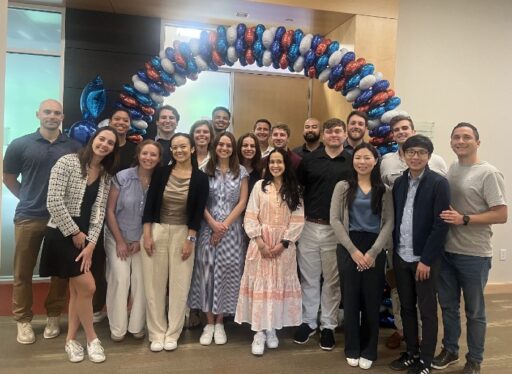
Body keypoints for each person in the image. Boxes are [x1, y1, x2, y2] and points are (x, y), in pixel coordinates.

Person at [3, 99, 81, 344]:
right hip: (29, 216)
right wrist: (28, 197)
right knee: (23, 272)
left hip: (61, 220)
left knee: (60, 272)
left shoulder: (74, 147)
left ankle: (54, 315)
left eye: (57, 113)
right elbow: (8, 178)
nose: (52, 116)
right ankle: (23, 320)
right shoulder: (20, 144)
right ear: (38, 114)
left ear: (62, 117)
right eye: (47, 112)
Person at [39, 127, 120, 363]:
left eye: (110, 143)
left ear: (113, 149)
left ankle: (71, 341)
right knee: (88, 288)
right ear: (93, 139)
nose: (104, 144)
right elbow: (53, 201)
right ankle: (92, 338)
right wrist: (75, 232)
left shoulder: (105, 175)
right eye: (101, 139)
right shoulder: (67, 162)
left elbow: (98, 213)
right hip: (62, 233)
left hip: (85, 239)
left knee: (78, 291)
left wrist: (92, 243)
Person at [434, 123, 507, 374]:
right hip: (446, 252)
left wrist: (464, 219)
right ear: (451, 141)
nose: (461, 141)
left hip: (474, 254)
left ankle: (475, 359)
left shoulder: (488, 173)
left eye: (467, 137)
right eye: (456, 137)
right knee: (448, 307)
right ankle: (450, 350)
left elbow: (501, 214)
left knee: (474, 311)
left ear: (478, 142)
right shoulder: (452, 169)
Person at [380, 115, 448, 350]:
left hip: (424, 253)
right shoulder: (393, 172)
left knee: (427, 305)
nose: (415, 157)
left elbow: (441, 217)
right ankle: (407, 341)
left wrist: (427, 257)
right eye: (411, 153)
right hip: (399, 249)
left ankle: (424, 349)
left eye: (420, 153)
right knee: (403, 299)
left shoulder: (438, 173)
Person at [141, 133, 209, 352]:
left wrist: (191, 240)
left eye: (183, 147)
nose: (179, 150)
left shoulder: (200, 178)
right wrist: (148, 234)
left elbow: (197, 213)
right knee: (154, 285)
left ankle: (173, 333)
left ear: (191, 149)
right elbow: (150, 204)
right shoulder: (161, 173)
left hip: (184, 233)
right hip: (157, 230)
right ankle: (156, 333)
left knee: (180, 285)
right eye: (174, 147)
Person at [235, 148, 305, 356]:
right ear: (267, 165)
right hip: (260, 245)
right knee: (261, 287)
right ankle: (258, 331)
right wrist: (260, 242)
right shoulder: (259, 186)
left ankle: (272, 328)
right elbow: (250, 215)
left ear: (286, 165)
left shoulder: (295, 189)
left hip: (284, 247)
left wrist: (283, 243)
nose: (275, 165)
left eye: (279, 162)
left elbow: (298, 219)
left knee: (277, 287)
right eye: (272, 162)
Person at [330, 143, 393, 369]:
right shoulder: (343, 187)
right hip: (349, 246)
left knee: (371, 300)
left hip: (374, 247)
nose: (362, 162)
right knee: (351, 299)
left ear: (375, 161)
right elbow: (335, 220)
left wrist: (373, 252)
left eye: (367, 158)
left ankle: (369, 349)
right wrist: (354, 251)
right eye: (358, 157)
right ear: (353, 160)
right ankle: (352, 347)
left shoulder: (383, 189)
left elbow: (388, 223)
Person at [294, 118, 353, 351]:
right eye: (329, 132)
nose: (334, 135)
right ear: (324, 135)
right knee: (309, 278)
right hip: (309, 226)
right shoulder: (308, 161)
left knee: (332, 280)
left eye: (338, 131)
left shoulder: (351, 162)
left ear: (345, 134)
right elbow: (298, 191)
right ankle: (308, 321)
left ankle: (328, 325)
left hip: (335, 229)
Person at [188, 132, 249, 346]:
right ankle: (209, 323)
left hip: (232, 232)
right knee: (206, 273)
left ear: (233, 148)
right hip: (207, 228)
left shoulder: (240, 171)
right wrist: (213, 224)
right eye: (221, 144)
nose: (224, 148)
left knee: (227, 273)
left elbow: (242, 202)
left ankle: (221, 321)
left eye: (228, 145)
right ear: (215, 147)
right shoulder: (205, 170)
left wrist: (224, 226)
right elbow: (199, 201)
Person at [104, 140, 163, 342]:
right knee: (120, 280)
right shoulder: (122, 177)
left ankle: (136, 325)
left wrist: (141, 240)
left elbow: (158, 214)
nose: (148, 158)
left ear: (159, 159)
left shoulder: (160, 181)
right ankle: (118, 328)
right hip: (116, 236)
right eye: (145, 153)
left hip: (143, 239)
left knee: (141, 282)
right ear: (138, 155)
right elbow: (109, 211)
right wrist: (120, 241)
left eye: (153, 155)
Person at [92, 108, 138, 324]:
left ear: (130, 124)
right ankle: (98, 306)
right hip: (99, 209)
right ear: (109, 122)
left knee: (123, 269)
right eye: (117, 119)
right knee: (100, 262)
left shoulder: (134, 149)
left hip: (125, 215)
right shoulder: (103, 147)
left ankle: (124, 309)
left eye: (125, 120)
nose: (121, 122)